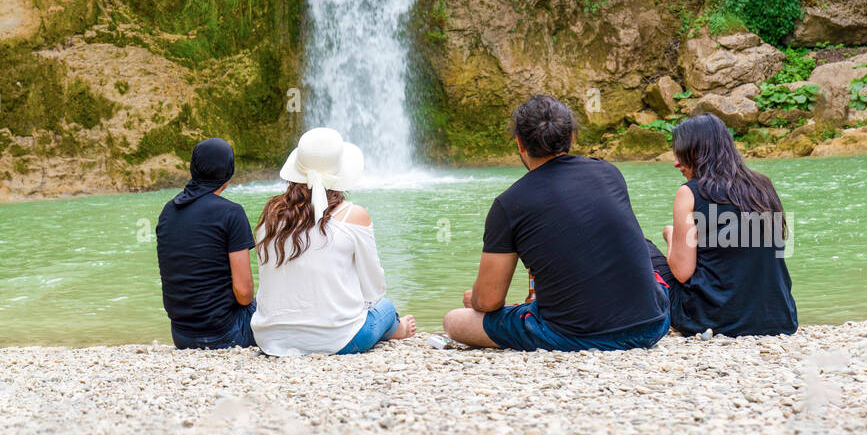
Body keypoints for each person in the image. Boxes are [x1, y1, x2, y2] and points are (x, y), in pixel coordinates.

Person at [443, 94, 671, 352]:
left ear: (519, 143)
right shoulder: (609, 173)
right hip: (653, 325)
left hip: (576, 335)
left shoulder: (508, 204)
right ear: (572, 137)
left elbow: (489, 301)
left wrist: (475, 298)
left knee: (454, 321)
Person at [251, 127, 416, 355]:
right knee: (386, 308)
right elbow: (374, 289)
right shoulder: (353, 215)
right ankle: (395, 328)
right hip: (339, 340)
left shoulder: (271, 217)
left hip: (270, 339)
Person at [649, 113, 798, 337]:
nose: (676, 163)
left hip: (710, 321)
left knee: (643, 248)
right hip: (779, 319)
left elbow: (681, 272)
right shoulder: (763, 186)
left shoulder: (689, 192)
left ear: (697, 153)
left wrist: (670, 236)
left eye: (681, 154)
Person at [156, 138, 257, 349]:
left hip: (181, 335)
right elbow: (244, 294)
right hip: (225, 334)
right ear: (228, 173)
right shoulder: (232, 213)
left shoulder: (168, 211)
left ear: (194, 169)